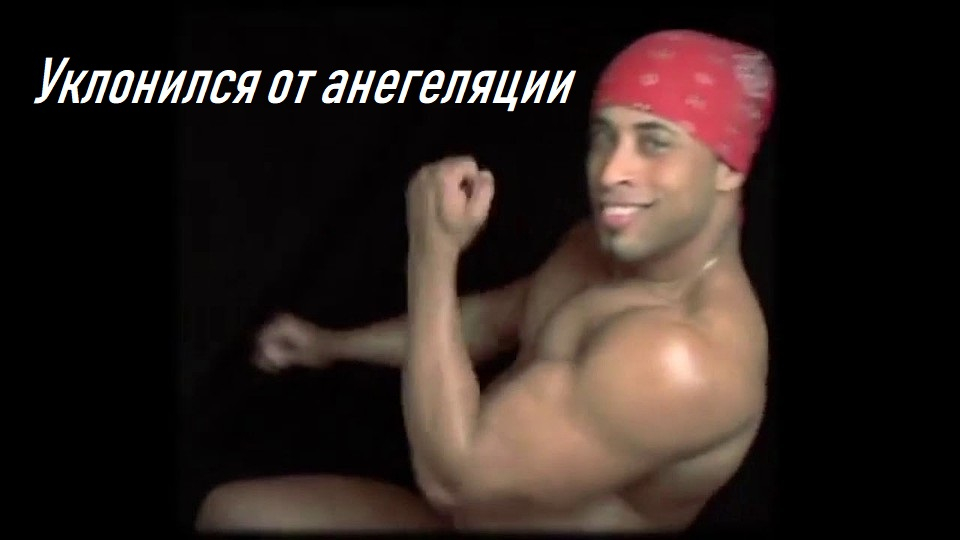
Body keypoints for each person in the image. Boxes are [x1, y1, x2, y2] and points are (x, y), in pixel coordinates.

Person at [195, 28, 776, 533]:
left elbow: (456, 482)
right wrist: (329, 345)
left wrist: (432, 253)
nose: (611, 172)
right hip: (464, 515)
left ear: (728, 168)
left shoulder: (684, 357)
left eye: (654, 143)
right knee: (228, 512)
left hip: (464, 489)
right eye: (604, 137)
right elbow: (495, 321)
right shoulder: (592, 249)